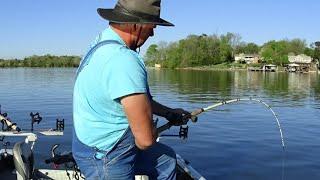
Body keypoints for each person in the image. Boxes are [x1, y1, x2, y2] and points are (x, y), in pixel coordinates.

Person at [72, 0, 192, 179]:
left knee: (167, 161)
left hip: (91, 146)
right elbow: (145, 140)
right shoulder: (123, 60)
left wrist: (168, 113)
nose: (152, 33)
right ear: (137, 24)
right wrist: (149, 129)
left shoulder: (100, 44)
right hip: (106, 156)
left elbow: (135, 100)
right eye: (152, 26)